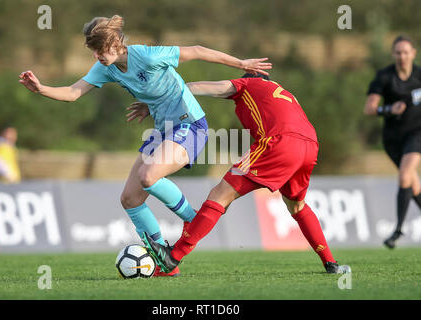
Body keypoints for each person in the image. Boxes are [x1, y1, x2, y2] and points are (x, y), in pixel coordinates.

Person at [18, 15, 272, 276]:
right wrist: (41, 89)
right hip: (163, 131)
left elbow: (196, 50)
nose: (96, 56)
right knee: (129, 198)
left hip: (190, 125)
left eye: (100, 50)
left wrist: (241, 63)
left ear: (116, 43)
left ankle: (192, 219)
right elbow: (73, 93)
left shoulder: (148, 56)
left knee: (148, 176)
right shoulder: (106, 68)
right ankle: (164, 261)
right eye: (93, 51)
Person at [140, 73, 351, 274]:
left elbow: (201, 88)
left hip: (279, 143)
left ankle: (173, 257)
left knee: (220, 194)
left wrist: (159, 99)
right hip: (310, 146)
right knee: (297, 206)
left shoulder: (248, 85)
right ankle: (330, 262)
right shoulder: (284, 93)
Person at [364, 35, 421, 249]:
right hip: (393, 139)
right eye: (398, 52)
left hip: (416, 134)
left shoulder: (419, 75)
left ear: (413, 53)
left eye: (406, 52)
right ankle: (398, 230)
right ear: (393, 55)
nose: (402, 56)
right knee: (413, 184)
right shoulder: (384, 77)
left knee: (405, 175)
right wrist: (388, 109)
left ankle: (397, 231)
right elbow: (369, 108)